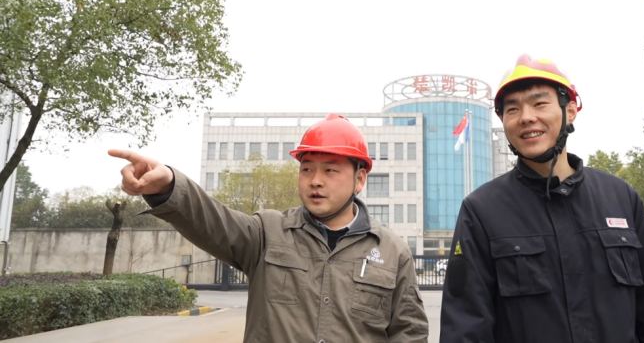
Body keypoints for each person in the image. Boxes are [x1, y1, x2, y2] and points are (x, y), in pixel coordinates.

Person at [439, 55, 644, 342]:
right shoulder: (481, 210)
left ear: (571, 110)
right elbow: (465, 329)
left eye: (540, 103)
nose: (526, 117)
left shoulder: (620, 198)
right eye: (512, 109)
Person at [110, 113, 428, 343]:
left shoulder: (391, 252)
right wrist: (168, 185)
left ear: (359, 179)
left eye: (330, 170)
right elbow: (213, 221)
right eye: (307, 169)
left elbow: (410, 333)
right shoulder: (268, 233)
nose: (315, 181)